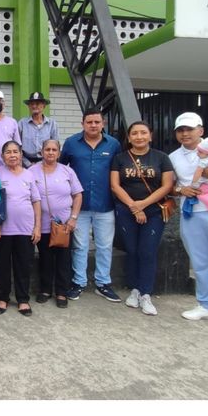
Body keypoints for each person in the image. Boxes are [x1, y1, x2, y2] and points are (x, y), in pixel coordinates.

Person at [110, 121, 174, 316]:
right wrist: (133, 206)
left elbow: (167, 186)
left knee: (147, 251)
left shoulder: (161, 158)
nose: (139, 137)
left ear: (150, 136)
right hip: (126, 210)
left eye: (143, 133)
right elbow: (115, 185)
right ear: (129, 138)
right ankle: (134, 289)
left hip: (154, 212)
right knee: (132, 250)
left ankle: (146, 293)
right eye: (135, 133)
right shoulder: (120, 158)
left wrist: (143, 205)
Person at [60, 107, 121, 302]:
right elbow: (61, 169)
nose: (93, 125)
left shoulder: (113, 144)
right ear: (83, 124)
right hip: (79, 206)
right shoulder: (71, 143)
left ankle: (103, 283)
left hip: (105, 204)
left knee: (104, 246)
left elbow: (118, 170)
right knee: (80, 246)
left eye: (97, 122)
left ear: (103, 124)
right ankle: (79, 282)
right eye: (89, 122)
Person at [169, 112, 208, 320]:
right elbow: (170, 186)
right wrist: (182, 190)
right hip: (191, 213)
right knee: (200, 261)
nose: (185, 134)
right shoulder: (173, 157)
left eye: (189, 129)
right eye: (180, 130)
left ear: (201, 130)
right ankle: (206, 305)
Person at [0, 141, 41, 315]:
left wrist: (37, 227)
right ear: (2, 156)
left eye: (15, 152)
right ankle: (3, 298)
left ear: (21, 154)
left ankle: (23, 300)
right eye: (8, 152)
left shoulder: (29, 175)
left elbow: (36, 201)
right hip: (2, 230)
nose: (12, 155)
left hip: (25, 229)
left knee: (23, 265)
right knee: (2, 265)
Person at [30, 139, 83, 308]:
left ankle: (61, 292)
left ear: (59, 153)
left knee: (63, 259)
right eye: (47, 149)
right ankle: (45, 290)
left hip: (64, 225)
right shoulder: (32, 171)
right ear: (41, 152)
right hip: (42, 224)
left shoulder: (67, 171)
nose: (50, 152)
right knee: (45, 258)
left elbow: (78, 195)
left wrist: (73, 218)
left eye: (54, 150)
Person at [18, 91, 60, 167]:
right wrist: (28, 164)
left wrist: (44, 163)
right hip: (25, 164)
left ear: (44, 106)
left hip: (46, 163)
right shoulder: (22, 123)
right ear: (29, 106)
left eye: (37, 103)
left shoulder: (52, 124)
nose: (34, 106)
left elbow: (55, 146)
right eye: (32, 104)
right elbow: (17, 146)